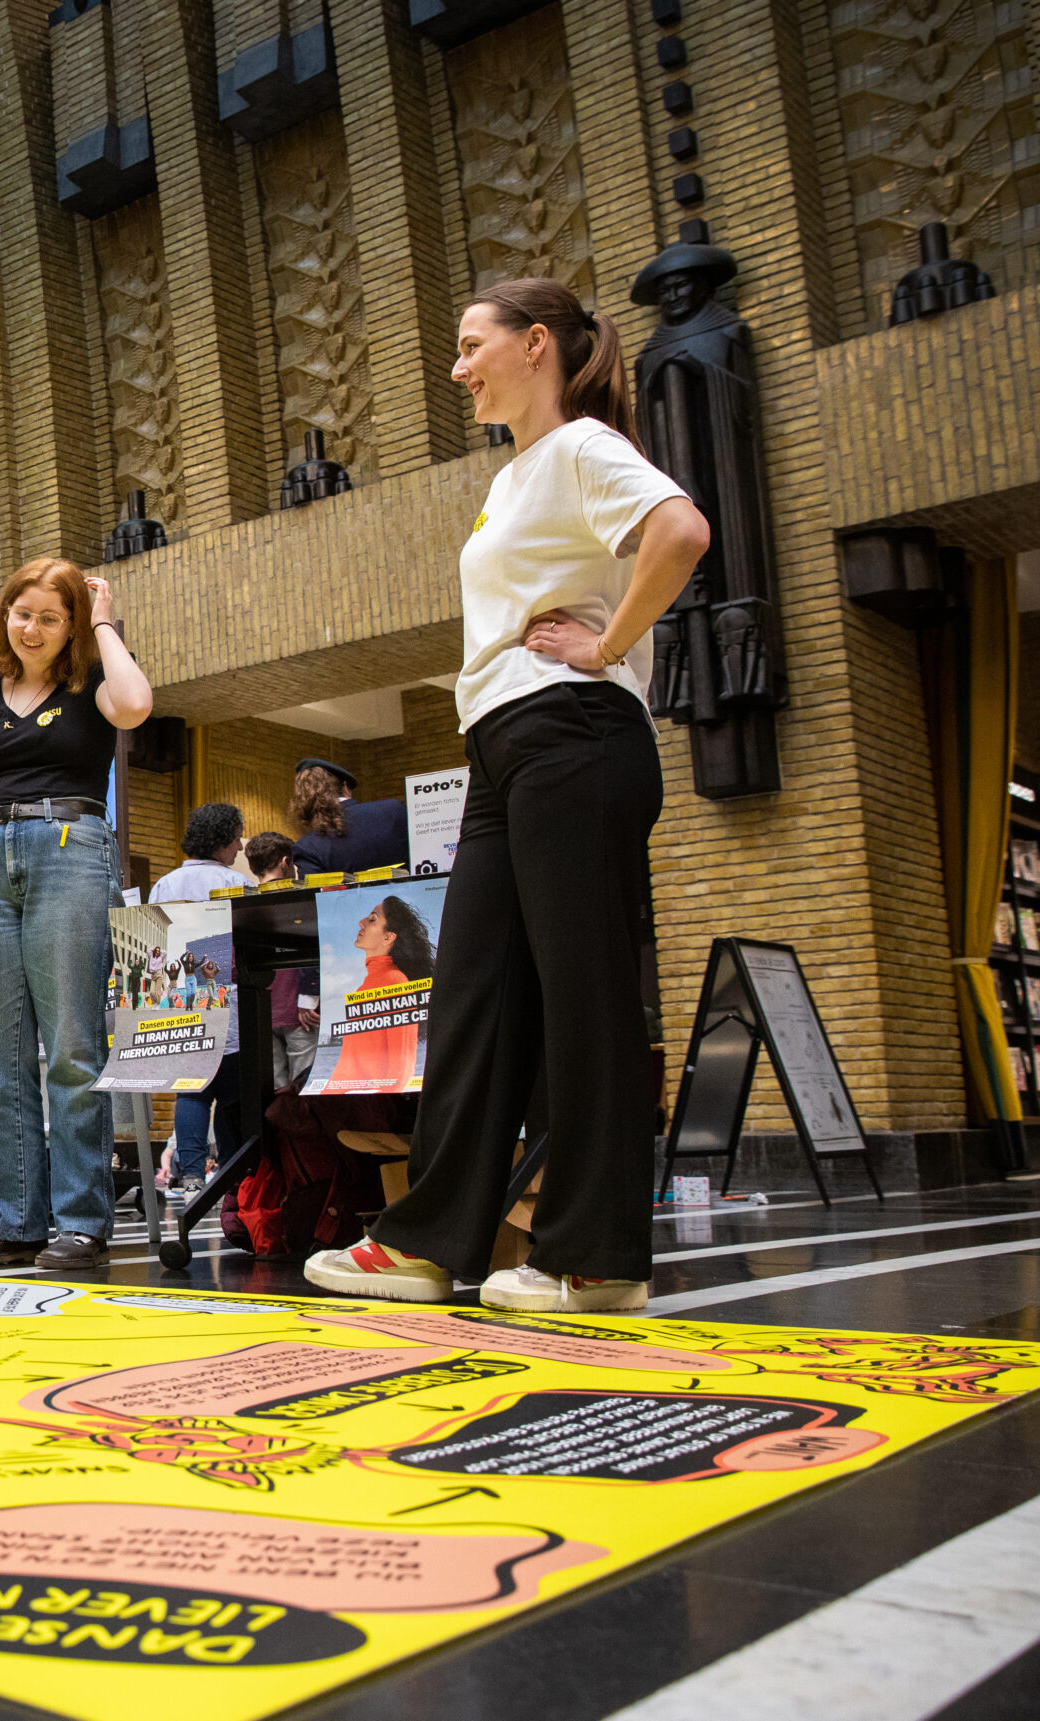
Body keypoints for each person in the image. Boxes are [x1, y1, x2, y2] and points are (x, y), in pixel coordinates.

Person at [307, 275, 709, 1315]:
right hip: (504, 744)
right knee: (474, 991)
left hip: (571, 733)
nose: (456, 365)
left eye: (467, 343)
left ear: (536, 344)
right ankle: (427, 1241)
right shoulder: (521, 473)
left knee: (585, 997)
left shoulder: (580, 446)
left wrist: (608, 644)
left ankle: (594, 1255)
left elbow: (681, 532)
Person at [0, 558, 153, 1270]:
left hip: (72, 846)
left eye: (51, 617)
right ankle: (16, 1220)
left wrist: (107, 622)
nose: (32, 628)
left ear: (73, 625)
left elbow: (137, 705)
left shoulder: (92, 684)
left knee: (74, 1048)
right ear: (5, 614)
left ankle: (82, 1220)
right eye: (22, 613)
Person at [150, 803, 250, 1196]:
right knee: (233, 1092)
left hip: (179, 1001)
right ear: (223, 840)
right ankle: (232, 1171)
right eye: (237, 837)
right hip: (231, 1002)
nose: (241, 846)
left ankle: (190, 1173)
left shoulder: (165, 885)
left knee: (191, 1089)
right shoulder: (240, 884)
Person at [321, 896, 435, 1090]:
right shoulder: (369, 985)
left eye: (372, 919)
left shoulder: (395, 982)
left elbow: (401, 1070)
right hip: (345, 1101)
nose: (361, 922)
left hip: (361, 1105)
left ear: (388, 937)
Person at [246, 831, 319, 1087]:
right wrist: (310, 997)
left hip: (258, 1010)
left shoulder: (243, 905)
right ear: (285, 862)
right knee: (305, 1084)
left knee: (273, 1090)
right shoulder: (299, 900)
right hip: (299, 1010)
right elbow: (312, 949)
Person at [287, 758, 409, 877]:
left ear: (302, 799)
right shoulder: (394, 809)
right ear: (345, 788)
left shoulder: (307, 847)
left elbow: (314, 896)